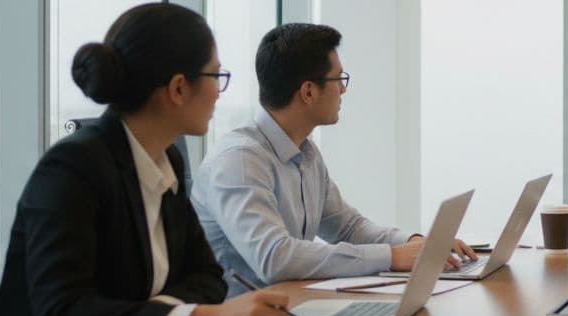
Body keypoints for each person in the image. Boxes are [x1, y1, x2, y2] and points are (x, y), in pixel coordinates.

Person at [0, 4, 291, 316]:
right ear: (178, 88)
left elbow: (207, 276)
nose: (219, 93)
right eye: (215, 76)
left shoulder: (166, 159)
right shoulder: (72, 168)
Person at [191, 23, 474, 298]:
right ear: (308, 92)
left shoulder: (306, 153)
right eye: (339, 79)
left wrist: (415, 243)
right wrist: (392, 256)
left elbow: (347, 227)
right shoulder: (239, 160)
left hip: (290, 309)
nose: (343, 90)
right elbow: (274, 258)